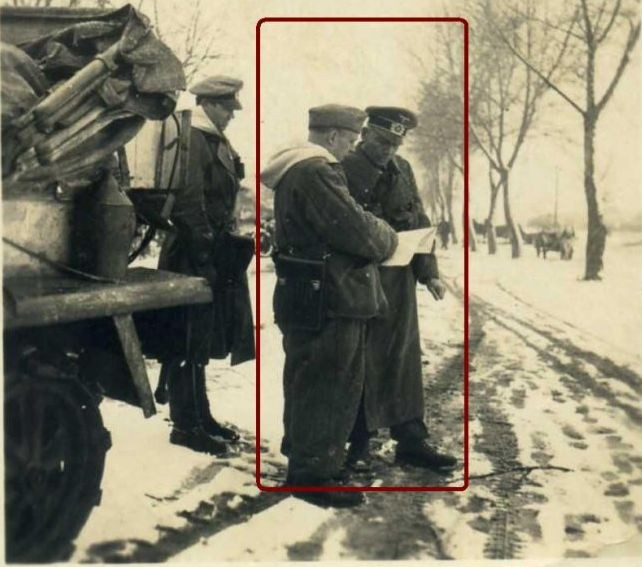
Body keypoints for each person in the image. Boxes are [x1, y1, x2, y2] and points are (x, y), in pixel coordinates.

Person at [260, 104, 398, 507]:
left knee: (306, 378)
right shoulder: (318, 171)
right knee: (330, 384)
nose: (352, 148)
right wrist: (388, 235)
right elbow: (359, 232)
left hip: (309, 292)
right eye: (351, 140)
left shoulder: (296, 169)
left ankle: (307, 460)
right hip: (333, 296)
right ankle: (313, 475)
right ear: (333, 136)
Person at [341, 106, 457, 471]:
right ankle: (358, 443)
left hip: (399, 283)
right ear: (364, 135)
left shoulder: (403, 169)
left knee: (404, 360)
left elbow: (418, 221)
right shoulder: (343, 167)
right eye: (382, 142)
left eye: (395, 144)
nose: (388, 150)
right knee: (362, 360)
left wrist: (429, 272)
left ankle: (411, 440)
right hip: (360, 279)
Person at [156, 75, 255, 455]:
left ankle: (201, 415)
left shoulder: (212, 139)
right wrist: (203, 256)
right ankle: (186, 424)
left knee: (201, 338)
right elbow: (188, 202)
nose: (232, 114)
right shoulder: (195, 139)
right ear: (209, 105)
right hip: (192, 251)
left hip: (207, 250)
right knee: (187, 339)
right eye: (227, 108)